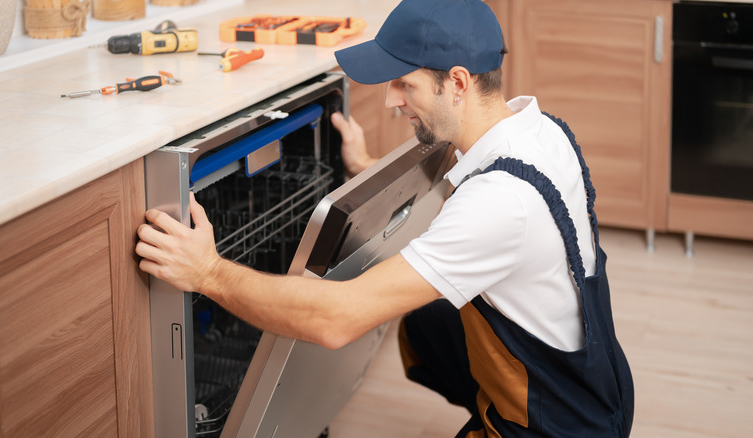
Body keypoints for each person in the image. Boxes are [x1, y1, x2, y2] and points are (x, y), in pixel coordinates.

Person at [136, 0, 634, 436]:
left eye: (404, 84)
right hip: (595, 389)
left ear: (456, 82)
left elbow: (336, 319)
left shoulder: (501, 203)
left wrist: (208, 272)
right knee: (429, 318)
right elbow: (455, 210)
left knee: (418, 307)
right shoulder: (539, 132)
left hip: (558, 426)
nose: (393, 100)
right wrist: (364, 168)